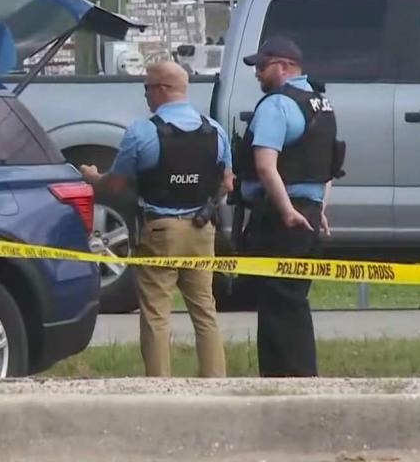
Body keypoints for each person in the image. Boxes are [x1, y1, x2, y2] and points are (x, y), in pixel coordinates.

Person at [80, 61, 231, 378]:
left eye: (147, 87)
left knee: (156, 313)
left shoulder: (142, 131)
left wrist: (93, 179)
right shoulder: (214, 130)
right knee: (205, 309)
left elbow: (116, 184)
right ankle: (215, 382)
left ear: (163, 89)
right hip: (202, 229)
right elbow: (227, 183)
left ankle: (159, 384)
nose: (146, 94)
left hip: (160, 230)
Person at [234, 35, 345, 377]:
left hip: (281, 218)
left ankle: (289, 381)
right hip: (308, 213)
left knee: (277, 305)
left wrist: (284, 211)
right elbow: (328, 170)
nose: (257, 74)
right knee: (292, 301)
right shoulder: (321, 105)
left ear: (283, 67)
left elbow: (266, 166)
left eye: (262, 67)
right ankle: (297, 378)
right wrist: (318, 209)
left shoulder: (277, 105)